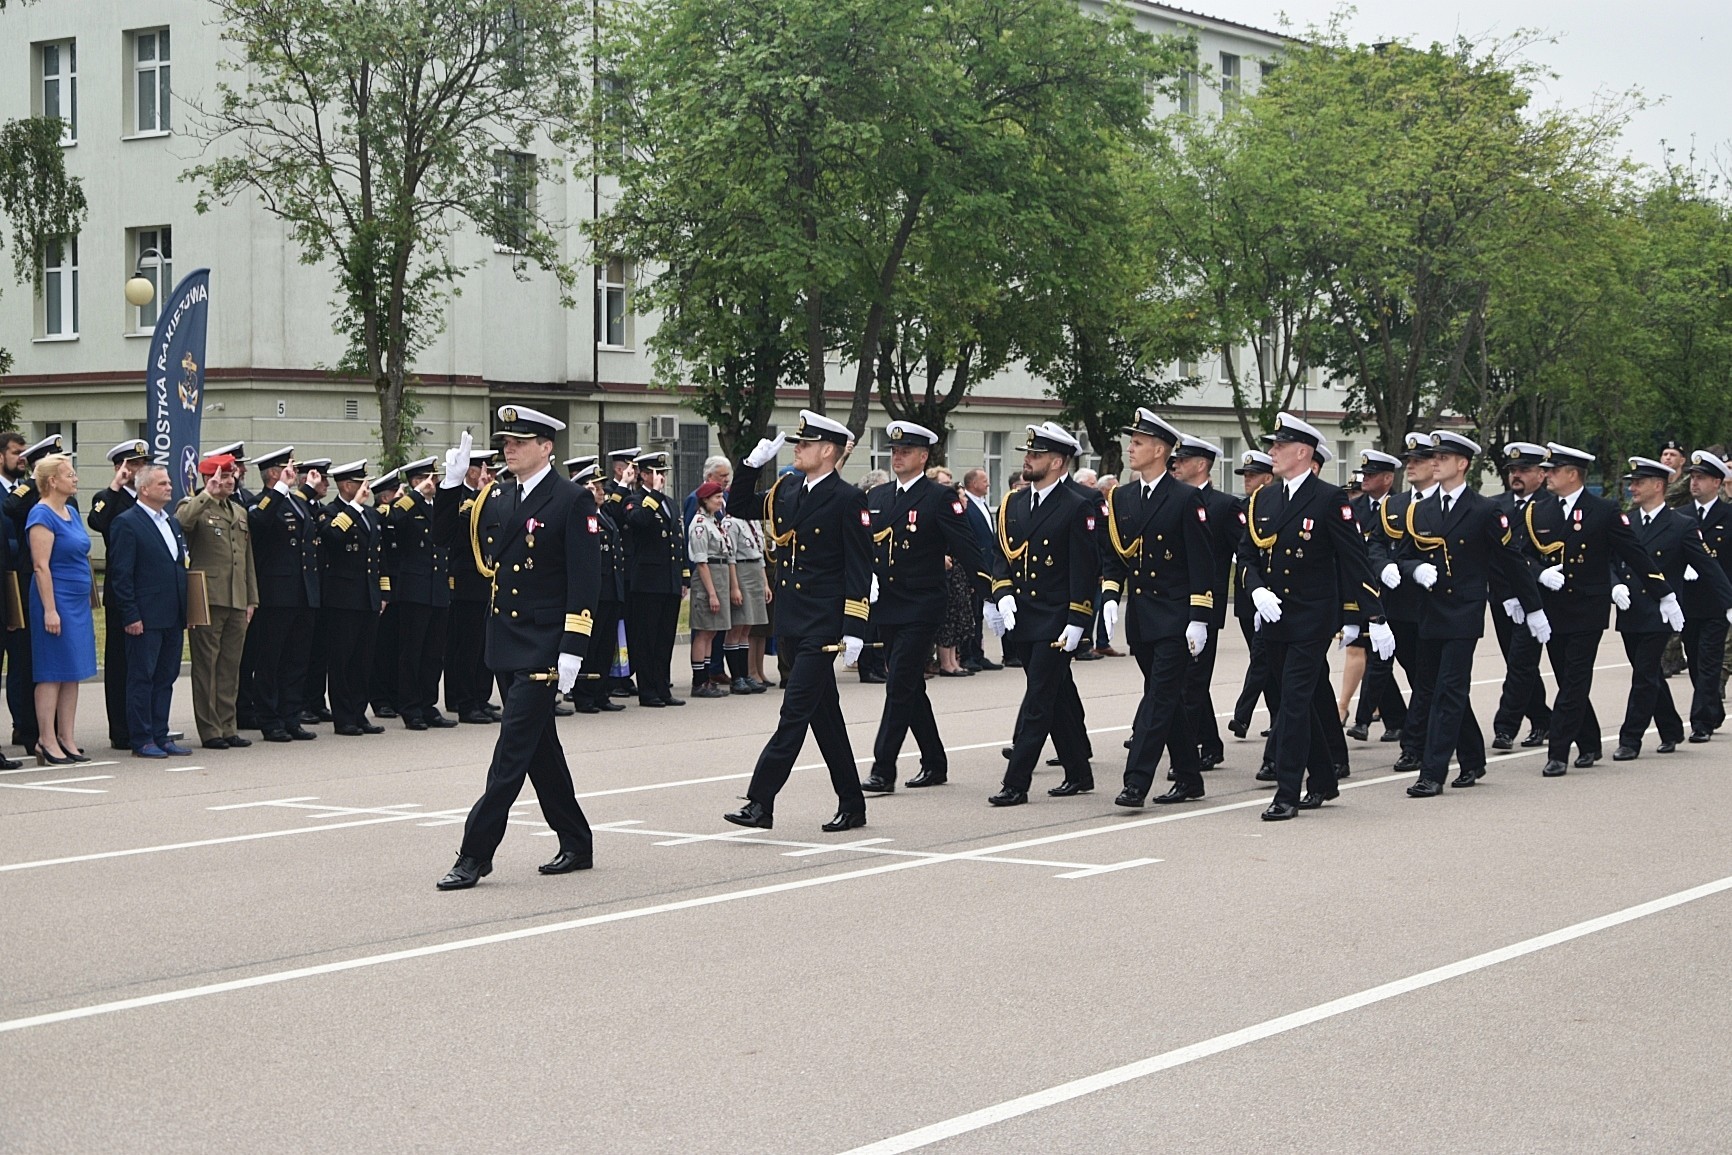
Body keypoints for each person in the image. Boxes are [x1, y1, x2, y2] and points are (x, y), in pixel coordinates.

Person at [434, 408, 601, 890]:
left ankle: (475, 853)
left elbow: (584, 579)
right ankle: (577, 840)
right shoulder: (498, 495)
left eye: (520, 441)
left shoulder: (570, 499)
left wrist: (573, 647)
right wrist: (450, 485)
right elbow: (445, 538)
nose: (509, 448)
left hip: (544, 645)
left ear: (546, 447)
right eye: (506, 441)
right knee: (539, 749)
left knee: (510, 754)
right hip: (505, 639)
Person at [723, 410, 874, 832]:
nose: (798, 450)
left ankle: (760, 801)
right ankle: (853, 803)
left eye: (805, 444)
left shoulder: (847, 499)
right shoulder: (788, 489)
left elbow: (859, 566)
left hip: (822, 625)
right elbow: (738, 507)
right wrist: (750, 466)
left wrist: (854, 627)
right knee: (826, 721)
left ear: (827, 451)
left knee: (793, 713)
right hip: (791, 620)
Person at [1237, 413, 1393, 820]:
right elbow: (1247, 555)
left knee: (1292, 703)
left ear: (1303, 452)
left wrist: (1374, 616)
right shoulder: (1264, 499)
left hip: (1311, 617)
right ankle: (1324, 777)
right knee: (1306, 701)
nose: (1272, 452)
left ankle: (1287, 793)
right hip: (1274, 617)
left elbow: (1354, 560)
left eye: (1280, 446)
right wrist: (1257, 590)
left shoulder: (1328, 499)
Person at [1394, 432, 1548, 797]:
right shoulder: (1421, 509)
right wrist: (1414, 569)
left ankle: (1432, 773)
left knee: (1449, 691)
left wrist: (1533, 608)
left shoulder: (1484, 510)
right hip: (1429, 612)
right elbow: (1402, 556)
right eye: (1433, 457)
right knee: (1436, 688)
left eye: (1443, 458)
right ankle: (1473, 758)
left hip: (1463, 611)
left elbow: (1510, 561)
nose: (1434, 463)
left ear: (1462, 464)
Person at [1526, 443, 1674, 777]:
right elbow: (1522, 555)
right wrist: (1539, 574)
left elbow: (1634, 553)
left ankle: (1558, 752)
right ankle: (1590, 742)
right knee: (1565, 678)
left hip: (1587, 610)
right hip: (1553, 609)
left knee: (1574, 681)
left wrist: (1664, 593)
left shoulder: (1603, 510)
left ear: (1572, 474)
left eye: (1553, 470)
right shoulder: (1538, 511)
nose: (1547, 476)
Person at [856, 423, 981, 794]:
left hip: (922, 604)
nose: (897, 457)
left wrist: (992, 591)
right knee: (909, 685)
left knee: (898, 683)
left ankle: (883, 768)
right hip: (888, 604)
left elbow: (966, 546)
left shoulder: (938, 497)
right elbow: (866, 544)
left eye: (906, 451)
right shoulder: (878, 495)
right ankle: (934, 761)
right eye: (894, 451)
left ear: (924, 456)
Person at [1100, 410, 1214, 806]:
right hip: (1143, 616)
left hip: (1176, 616)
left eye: (1138, 443)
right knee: (1168, 699)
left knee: (1158, 698)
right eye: (1131, 442)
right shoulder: (1123, 497)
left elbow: (1202, 563)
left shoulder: (1185, 497)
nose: (1130, 449)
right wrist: (1110, 595)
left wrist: (1199, 618)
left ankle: (1136, 781)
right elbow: (1116, 554)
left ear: (1160, 450)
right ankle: (1190, 777)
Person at [982, 422, 1100, 806]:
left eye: (1036, 454)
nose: (1028, 460)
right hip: (1023, 616)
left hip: (1056, 618)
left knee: (1038, 700)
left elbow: (1084, 568)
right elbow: (1001, 555)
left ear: (1058, 461)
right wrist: (1002, 595)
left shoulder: (1078, 504)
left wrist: (1078, 620)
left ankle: (1016, 782)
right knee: (1057, 695)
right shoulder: (1014, 503)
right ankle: (1079, 772)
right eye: (1028, 453)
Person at [1609, 456, 1732, 761]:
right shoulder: (1627, 522)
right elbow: (1610, 560)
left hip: (1660, 611)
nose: (1632, 488)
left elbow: (1710, 567)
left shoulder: (1680, 524)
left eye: (1639, 483)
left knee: (1644, 675)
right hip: (1630, 609)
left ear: (1658, 485)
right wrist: (1615, 585)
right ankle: (1671, 727)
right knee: (1649, 673)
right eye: (1632, 483)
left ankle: (1630, 738)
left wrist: (1729, 603)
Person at [105, 462, 191, 759]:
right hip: (146, 615)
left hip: (172, 613)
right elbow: (122, 575)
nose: (169, 487)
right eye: (162, 483)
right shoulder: (127, 522)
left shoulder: (172, 522)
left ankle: (160, 733)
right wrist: (130, 614)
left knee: (166, 677)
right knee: (142, 678)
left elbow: (178, 566)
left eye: (169, 482)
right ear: (144, 489)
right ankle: (141, 737)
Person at [177, 453, 257, 750]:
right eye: (223, 476)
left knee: (230, 667)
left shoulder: (238, 510)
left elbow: (247, 559)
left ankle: (228, 726)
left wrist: (251, 598)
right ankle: (210, 730)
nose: (229, 481)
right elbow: (182, 522)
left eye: (231, 475)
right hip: (208, 597)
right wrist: (207, 493)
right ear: (208, 478)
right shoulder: (195, 505)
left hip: (237, 597)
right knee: (206, 667)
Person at [1170, 433, 1240, 770]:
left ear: (1201, 465)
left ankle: (1185, 754)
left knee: (1193, 682)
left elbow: (1246, 552)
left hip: (1206, 605)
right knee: (1184, 679)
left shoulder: (1224, 505)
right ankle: (1210, 743)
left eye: (1183, 460)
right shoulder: (1172, 500)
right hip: (1172, 604)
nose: (1176, 465)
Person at [24, 452, 96, 765]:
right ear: (52, 481)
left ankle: (67, 737)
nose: (75, 478)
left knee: (72, 671)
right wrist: (50, 610)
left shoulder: (71, 511)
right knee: (52, 671)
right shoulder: (41, 514)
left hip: (77, 601)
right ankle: (46, 739)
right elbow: (41, 566)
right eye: (69, 474)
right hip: (55, 599)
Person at [247, 448, 321, 742]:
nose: (294, 472)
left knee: (296, 660)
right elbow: (259, 521)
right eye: (288, 468)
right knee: (271, 660)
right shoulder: (262, 501)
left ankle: (291, 716)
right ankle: (270, 719)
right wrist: (279, 488)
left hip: (302, 593)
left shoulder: (296, 503)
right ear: (274, 473)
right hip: (276, 595)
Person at [86, 439, 153, 751]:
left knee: (145, 663)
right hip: (122, 592)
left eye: (143, 464)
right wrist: (116, 485)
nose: (139, 470)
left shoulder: (147, 500)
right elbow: (97, 521)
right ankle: (121, 730)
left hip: (148, 590)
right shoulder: (108, 498)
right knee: (120, 665)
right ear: (119, 467)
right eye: (134, 464)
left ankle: (144, 723)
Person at [1378, 434, 1439, 772]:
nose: (1410, 466)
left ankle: (1414, 745)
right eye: (1409, 461)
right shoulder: (1394, 505)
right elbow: (1374, 544)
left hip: (1434, 606)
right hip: (1398, 607)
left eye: (1418, 460)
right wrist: (1382, 565)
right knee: (1422, 678)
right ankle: (1461, 740)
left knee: (1430, 679)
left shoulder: (1445, 504)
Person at [4, 433, 67, 753]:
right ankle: (27, 728)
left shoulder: (49, 495)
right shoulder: (23, 494)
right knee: (23, 659)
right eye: (15, 452)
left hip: (56, 582)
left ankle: (51, 730)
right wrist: (36, 482)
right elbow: (12, 509)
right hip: (21, 579)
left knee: (46, 660)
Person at [1489, 442, 1554, 749]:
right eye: (1513, 470)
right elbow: (1492, 554)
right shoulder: (1496, 505)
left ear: (1541, 474)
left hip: (1536, 598)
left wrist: (1536, 576)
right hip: (1502, 598)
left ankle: (1505, 727)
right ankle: (1542, 719)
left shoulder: (1550, 506)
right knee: (1517, 664)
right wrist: (1505, 594)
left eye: (1524, 470)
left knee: (1521, 663)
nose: (1516, 475)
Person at [383, 456, 456, 730]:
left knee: (433, 654)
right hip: (414, 589)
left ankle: (428, 705)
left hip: (437, 589)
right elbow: (393, 519)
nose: (434, 483)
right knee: (412, 652)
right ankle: (410, 707)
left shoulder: (437, 507)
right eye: (429, 478)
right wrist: (414, 494)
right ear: (417, 481)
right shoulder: (407, 506)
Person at [319, 461, 388, 736]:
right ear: (347, 485)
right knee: (342, 659)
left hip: (368, 595)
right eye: (361, 484)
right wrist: (354, 507)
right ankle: (344, 716)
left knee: (363, 659)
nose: (366, 489)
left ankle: (359, 713)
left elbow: (379, 555)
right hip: (343, 598)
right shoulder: (330, 512)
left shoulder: (371, 515)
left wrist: (383, 592)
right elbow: (332, 537)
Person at [1347, 449, 1409, 743]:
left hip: (1396, 593)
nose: (1365, 479)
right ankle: (1390, 720)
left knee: (1388, 658)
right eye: (1364, 474)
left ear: (1388, 478)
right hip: (1365, 593)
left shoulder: (1402, 506)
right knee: (1378, 657)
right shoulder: (1354, 508)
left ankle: (1375, 719)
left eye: (1372, 475)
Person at [441, 448, 500, 724]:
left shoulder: (488, 498)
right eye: (485, 470)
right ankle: (465, 701)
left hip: (488, 581)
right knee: (467, 646)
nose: (490, 476)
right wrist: (479, 495)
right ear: (471, 471)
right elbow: (458, 534)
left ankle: (479, 697)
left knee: (483, 644)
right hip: (467, 581)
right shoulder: (462, 499)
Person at [625, 450, 688, 707]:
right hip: (647, 582)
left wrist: (684, 577)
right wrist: (653, 495)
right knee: (646, 638)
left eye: (663, 472)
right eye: (656, 472)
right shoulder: (636, 499)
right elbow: (639, 522)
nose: (661, 477)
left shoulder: (669, 503)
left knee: (664, 639)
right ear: (642, 475)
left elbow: (678, 540)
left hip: (669, 580)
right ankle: (648, 690)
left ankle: (663, 687)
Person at [1681, 451, 1732, 741]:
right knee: (1694, 658)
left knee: (1709, 661)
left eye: (1701, 478)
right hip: (1687, 602)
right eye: (1692, 477)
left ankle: (1700, 722)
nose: (1694, 483)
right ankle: (1712, 709)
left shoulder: (1729, 516)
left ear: (1717, 482)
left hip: (1717, 603)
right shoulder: (1681, 516)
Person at [571, 462, 628, 713]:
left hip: (611, 590)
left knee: (605, 646)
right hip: (594, 593)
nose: (602, 492)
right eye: (596, 487)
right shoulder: (581, 517)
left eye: (602, 487)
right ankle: (583, 695)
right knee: (590, 646)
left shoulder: (604, 516)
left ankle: (601, 692)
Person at [1229, 450, 1275, 743]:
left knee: (1262, 658)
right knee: (1261, 658)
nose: (1247, 479)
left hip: (1271, 596)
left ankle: (1242, 715)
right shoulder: (1241, 508)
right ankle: (1276, 715)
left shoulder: (1276, 505)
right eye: (1245, 475)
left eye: (1253, 475)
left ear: (1268, 478)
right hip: (1247, 595)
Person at [685, 481, 735, 699]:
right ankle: (699, 681)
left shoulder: (715, 522)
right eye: (716, 498)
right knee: (704, 631)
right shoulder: (699, 524)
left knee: (712, 631)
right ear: (705, 500)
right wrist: (712, 594)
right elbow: (702, 562)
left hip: (720, 574)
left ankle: (706, 679)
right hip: (708, 577)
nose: (721, 501)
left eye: (721, 497)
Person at [723, 492, 770, 693]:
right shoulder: (731, 522)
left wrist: (765, 583)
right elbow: (730, 557)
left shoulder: (752, 521)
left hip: (755, 570)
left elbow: (760, 554)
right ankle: (737, 677)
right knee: (737, 626)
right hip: (741, 571)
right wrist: (734, 587)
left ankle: (746, 674)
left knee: (747, 627)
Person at [367, 469, 404, 718]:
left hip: (402, 588)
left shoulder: (397, 516)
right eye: (397, 493)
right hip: (383, 588)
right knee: (381, 648)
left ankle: (394, 695)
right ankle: (380, 699)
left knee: (396, 647)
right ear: (385, 498)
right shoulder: (379, 516)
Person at [958, 467, 999, 672]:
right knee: (971, 612)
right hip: (973, 566)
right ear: (973, 484)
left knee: (979, 612)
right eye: (984, 480)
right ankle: (968, 655)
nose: (988, 484)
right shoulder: (966, 506)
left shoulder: (981, 503)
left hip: (987, 564)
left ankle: (978, 653)